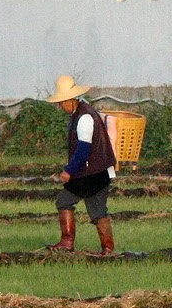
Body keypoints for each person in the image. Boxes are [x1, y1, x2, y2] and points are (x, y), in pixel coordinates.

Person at [45, 74, 118, 256]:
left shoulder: (85, 117)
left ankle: (101, 249)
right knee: (75, 204)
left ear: (69, 100)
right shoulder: (79, 114)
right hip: (91, 172)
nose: (60, 106)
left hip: (94, 173)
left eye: (61, 103)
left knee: (91, 209)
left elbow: (84, 149)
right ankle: (78, 244)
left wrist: (69, 170)